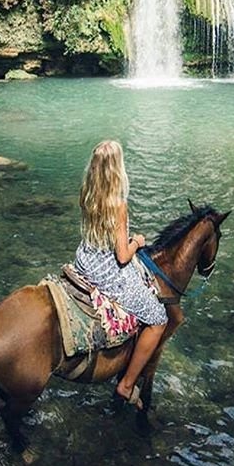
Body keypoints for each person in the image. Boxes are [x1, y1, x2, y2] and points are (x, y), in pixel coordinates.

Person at [75, 140, 167, 408]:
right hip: (107, 270)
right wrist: (137, 241)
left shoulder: (86, 192)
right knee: (158, 318)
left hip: (85, 258)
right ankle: (126, 385)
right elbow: (123, 256)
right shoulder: (118, 204)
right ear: (117, 169)